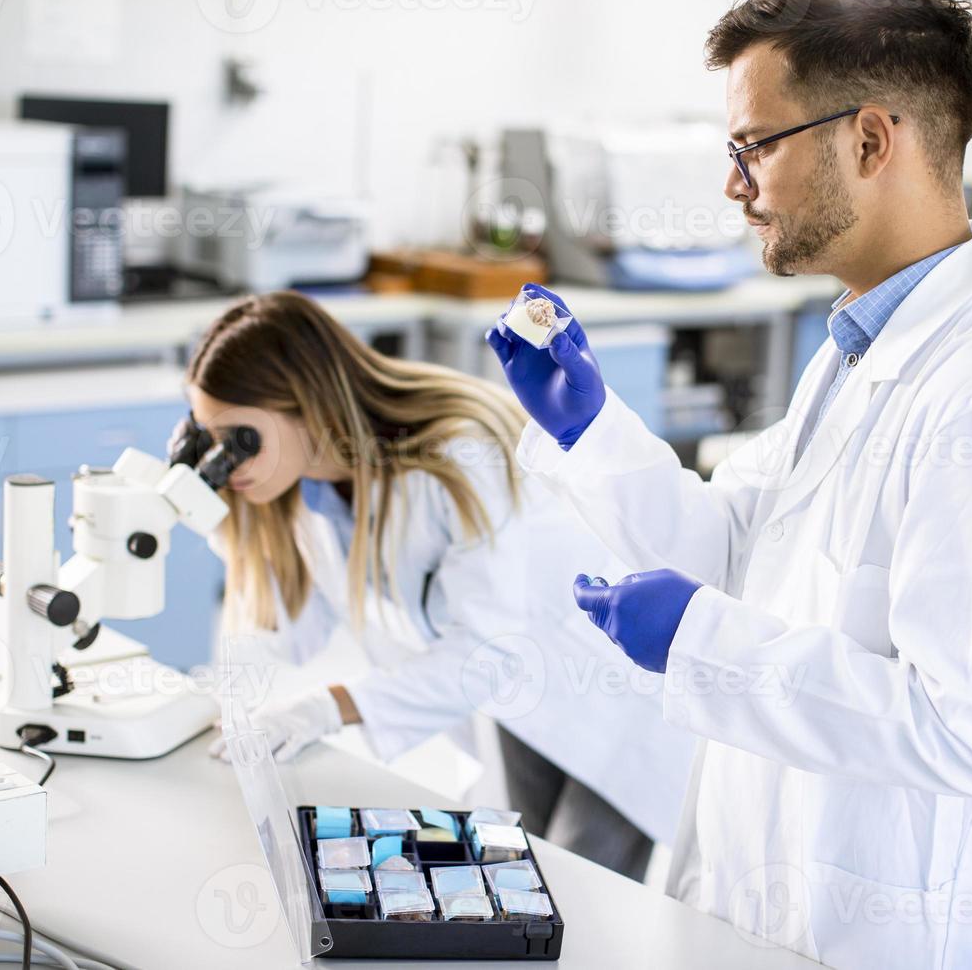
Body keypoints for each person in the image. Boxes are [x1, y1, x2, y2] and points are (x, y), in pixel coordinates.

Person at [486, 0, 972, 966]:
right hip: (762, 900)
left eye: (756, 147)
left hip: (884, 926)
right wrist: (590, 428)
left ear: (869, 140)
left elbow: (971, 729)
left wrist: (700, 639)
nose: (736, 187)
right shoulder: (857, 349)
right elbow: (738, 549)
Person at [193, 290, 694, 880]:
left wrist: (328, 708)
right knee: (516, 881)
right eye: (208, 437)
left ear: (304, 401)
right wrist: (221, 524)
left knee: (575, 896)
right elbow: (293, 635)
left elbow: (486, 654)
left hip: (613, 694)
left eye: (239, 438)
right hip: (521, 703)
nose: (228, 460)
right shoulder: (312, 494)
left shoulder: (456, 457)